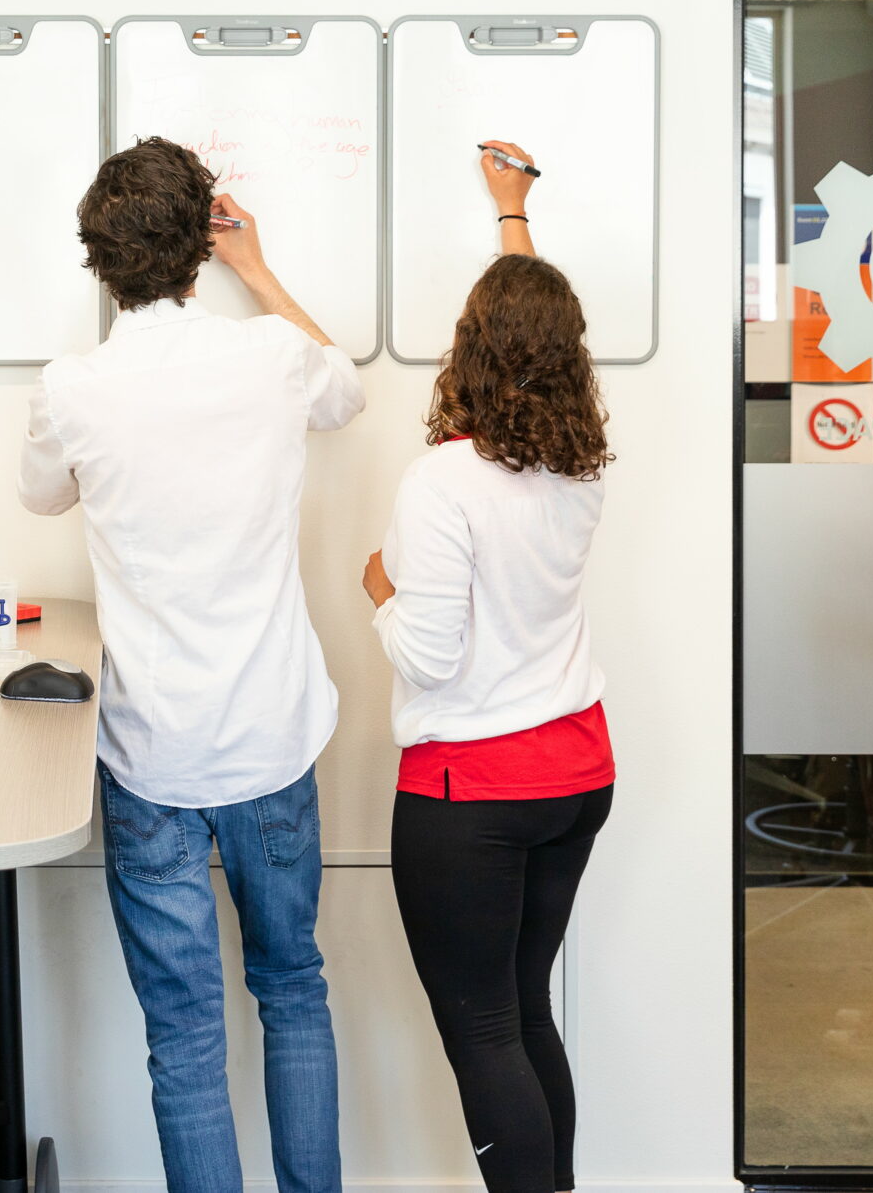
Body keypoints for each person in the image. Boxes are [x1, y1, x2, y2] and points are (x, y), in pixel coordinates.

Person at [18, 137, 364, 1193]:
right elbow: (345, 394)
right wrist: (256, 271)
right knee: (293, 986)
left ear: (99, 258)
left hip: (151, 754)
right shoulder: (269, 358)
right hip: (269, 738)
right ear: (197, 243)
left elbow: (41, 496)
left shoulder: (73, 387)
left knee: (184, 1035)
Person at [360, 140, 615, 1193]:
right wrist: (512, 215)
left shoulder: (441, 482)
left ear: (467, 346)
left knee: (482, 1034)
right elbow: (532, 327)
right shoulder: (578, 465)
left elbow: (428, 650)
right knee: (523, 1012)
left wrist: (373, 587)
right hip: (575, 774)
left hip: (472, 793)